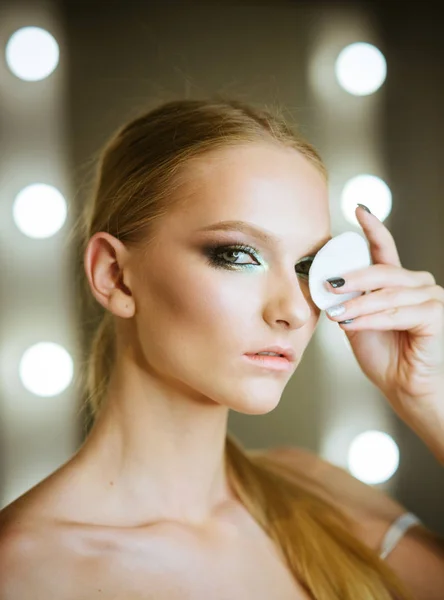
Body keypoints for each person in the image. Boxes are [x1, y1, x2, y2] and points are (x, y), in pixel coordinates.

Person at [0, 97, 443, 599]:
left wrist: (429, 397)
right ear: (115, 276)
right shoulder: (27, 570)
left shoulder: (316, 491)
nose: (295, 311)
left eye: (306, 266)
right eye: (238, 255)